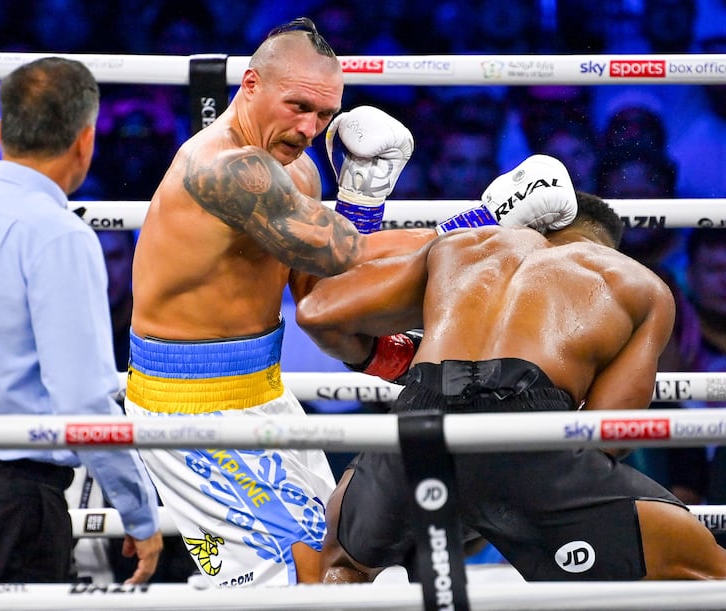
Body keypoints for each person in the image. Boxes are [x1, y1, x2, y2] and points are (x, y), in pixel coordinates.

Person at [124, 16, 577, 588]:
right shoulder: (226, 168)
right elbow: (344, 252)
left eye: (324, 114)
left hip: (260, 388)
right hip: (187, 410)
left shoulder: (298, 169)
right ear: (250, 86)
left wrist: (387, 352)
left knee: (335, 553)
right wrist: (487, 223)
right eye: (297, 107)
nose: (310, 127)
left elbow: (324, 292)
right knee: (290, 582)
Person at [296, 192, 726, 582]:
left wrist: (400, 360)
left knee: (341, 562)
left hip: (420, 414)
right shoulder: (637, 283)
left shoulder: (464, 246)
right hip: (527, 433)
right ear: (607, 246)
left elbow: (319, 313)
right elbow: (607, 436)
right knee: (702, 566)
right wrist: (510, 503)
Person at [0, 57, 163, 584]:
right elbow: (83, 400)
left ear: (0, 131)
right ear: (86, 141)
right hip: (10, 503)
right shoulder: (59, 235)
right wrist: (139, 511)